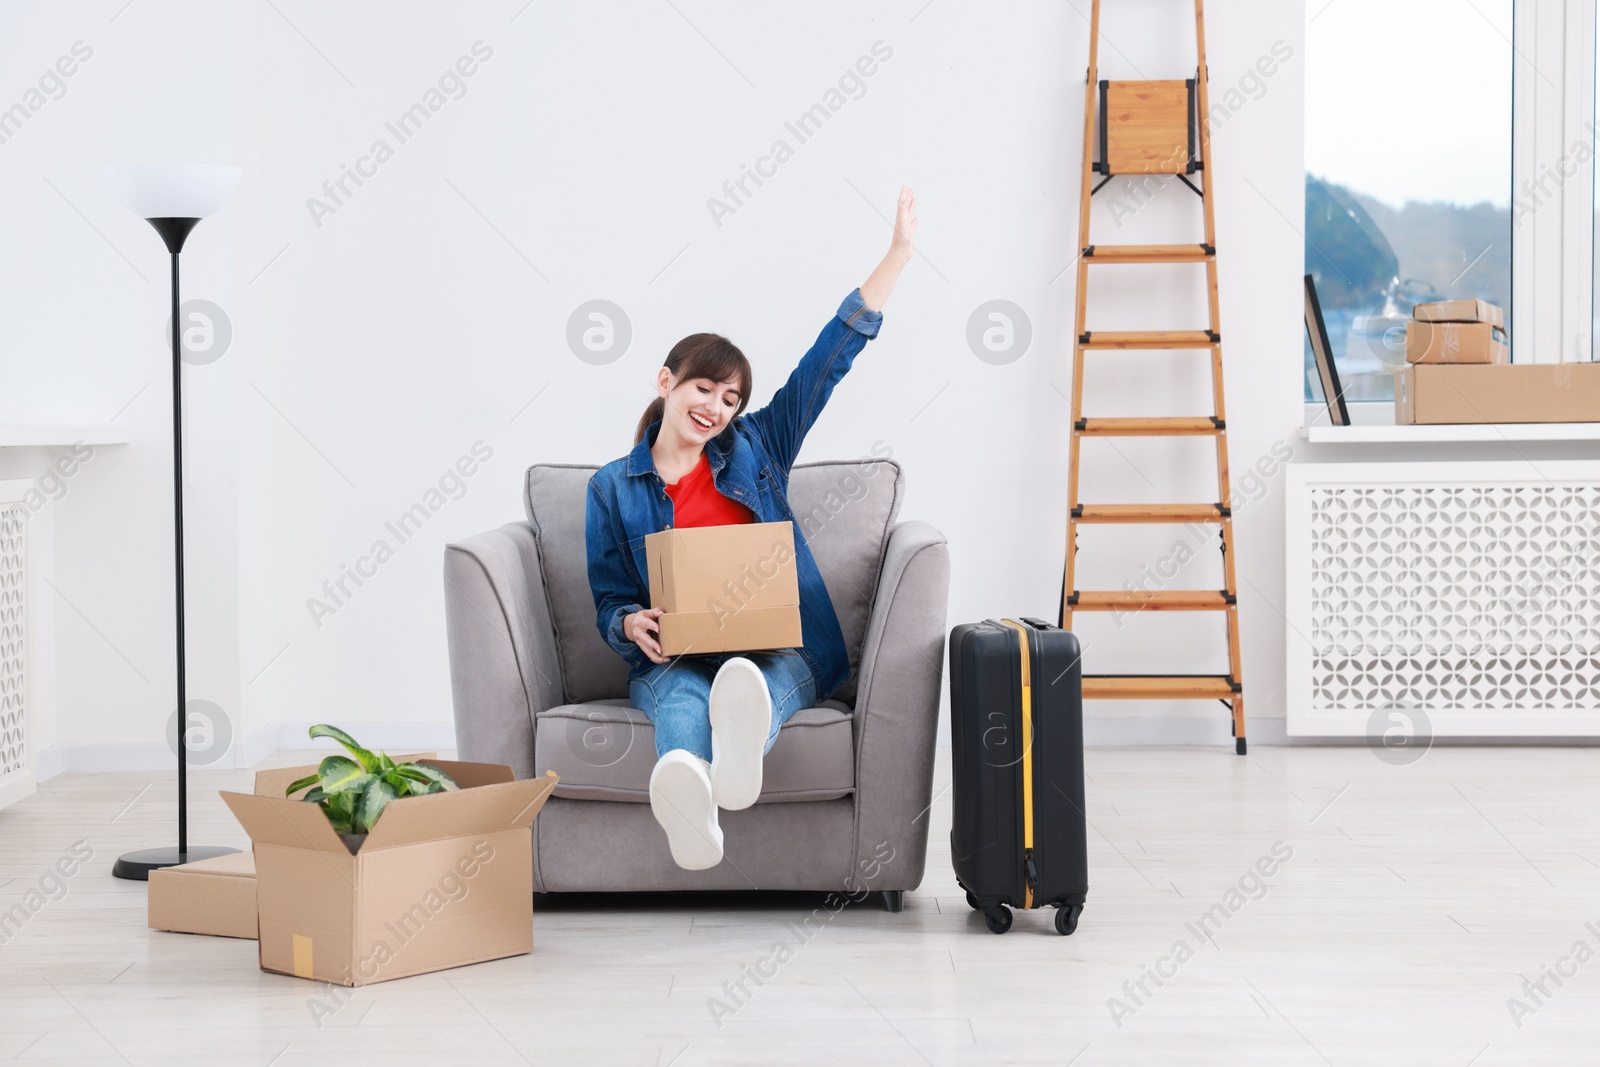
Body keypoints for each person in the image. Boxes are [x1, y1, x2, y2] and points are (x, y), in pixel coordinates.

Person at [585, 187, 918, 869]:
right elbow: (609, 597)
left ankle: (725, 757)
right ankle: (694, 791)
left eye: (730, 397)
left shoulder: (759, 447)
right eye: (703, 388)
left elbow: (826, 365)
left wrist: (897, 256)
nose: (715, 406)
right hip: (677, 652)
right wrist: (629, 625)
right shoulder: (611, 488)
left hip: (780, 646)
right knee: (680, 692)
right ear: (667, 382)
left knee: (756, 680)